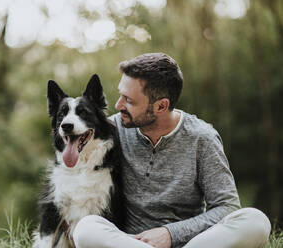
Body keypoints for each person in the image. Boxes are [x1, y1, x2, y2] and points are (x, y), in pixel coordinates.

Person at [72, 53, 271, 248]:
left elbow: (227, 206)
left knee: (256, 221)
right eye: (120, 95)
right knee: (86, 228)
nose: (118, 105)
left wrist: (171, 233)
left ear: (161, 106)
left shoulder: (202, 138)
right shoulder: (111, 129)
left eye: (129, 100)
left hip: (191, 243)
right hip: (129, 242)